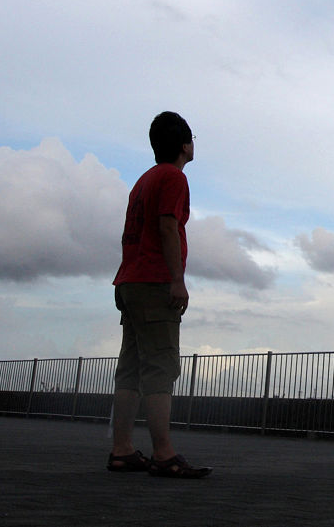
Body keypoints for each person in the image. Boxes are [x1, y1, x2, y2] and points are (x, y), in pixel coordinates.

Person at [107, 111, 211, 478]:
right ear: (184, 144)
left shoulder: (144, 180)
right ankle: (164, 454)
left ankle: (122, 450)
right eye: (192, 138)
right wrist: (177, 279)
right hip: (153, 282)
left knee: (131, 368)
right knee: (160, 367)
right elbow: (168, 227)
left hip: (130, 280)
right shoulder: (173, 178)